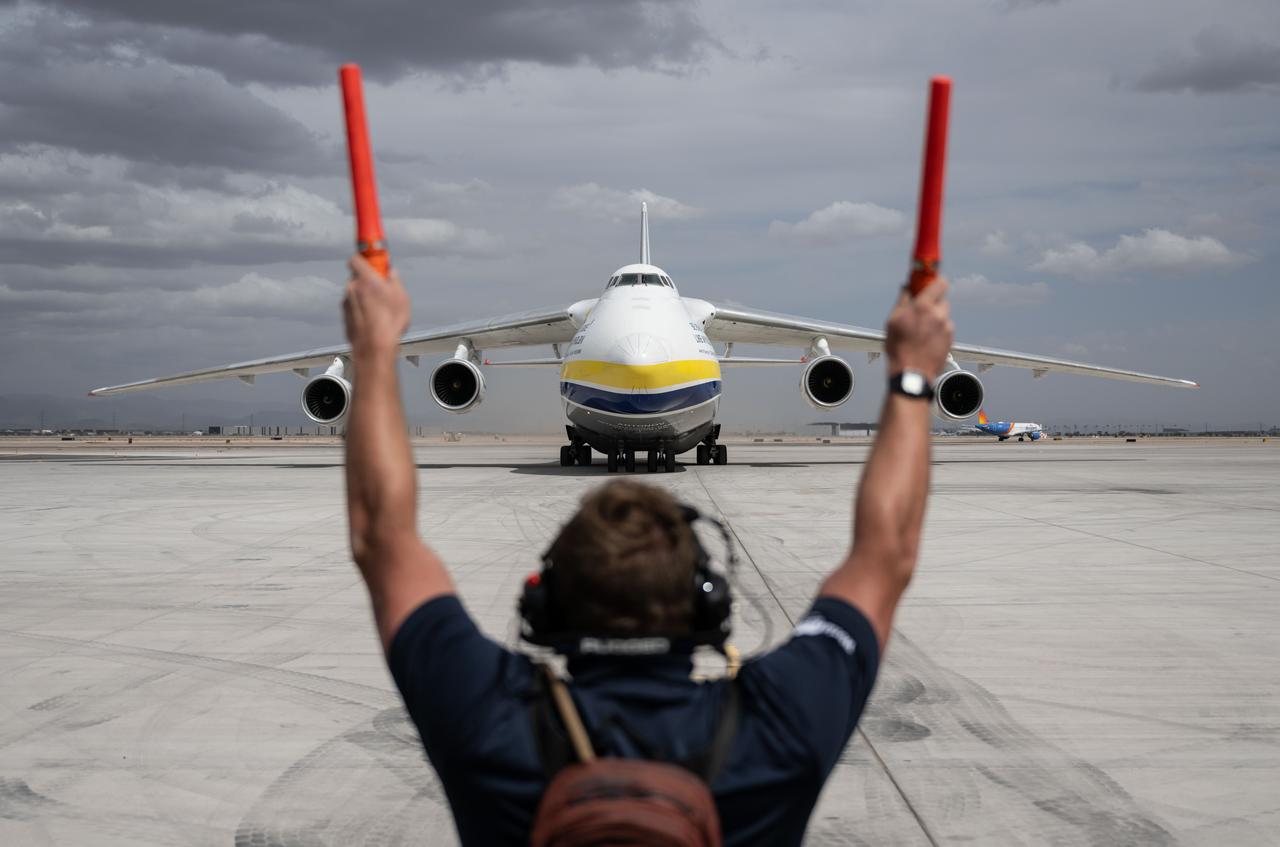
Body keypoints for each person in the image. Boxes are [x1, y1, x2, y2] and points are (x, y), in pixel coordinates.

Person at [340, 254, 954, 846]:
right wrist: (914, 373)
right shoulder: (776, 730)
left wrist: (371, 354)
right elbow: (887, 551)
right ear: (707, 604)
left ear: (544, 605)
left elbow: (381, 536)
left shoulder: (490, 728)